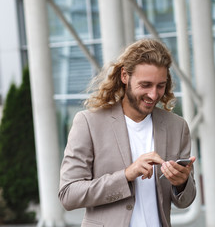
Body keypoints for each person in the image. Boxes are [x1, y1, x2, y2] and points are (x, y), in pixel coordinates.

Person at [58, 39, 196, 227]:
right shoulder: (89, 123)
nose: (154, 95)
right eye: (145, 85)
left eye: (160, 86)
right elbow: (69, 194)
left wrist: (181, 183)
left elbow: (186, 200)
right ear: (125, 76)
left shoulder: (177, 126)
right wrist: (126, 175)